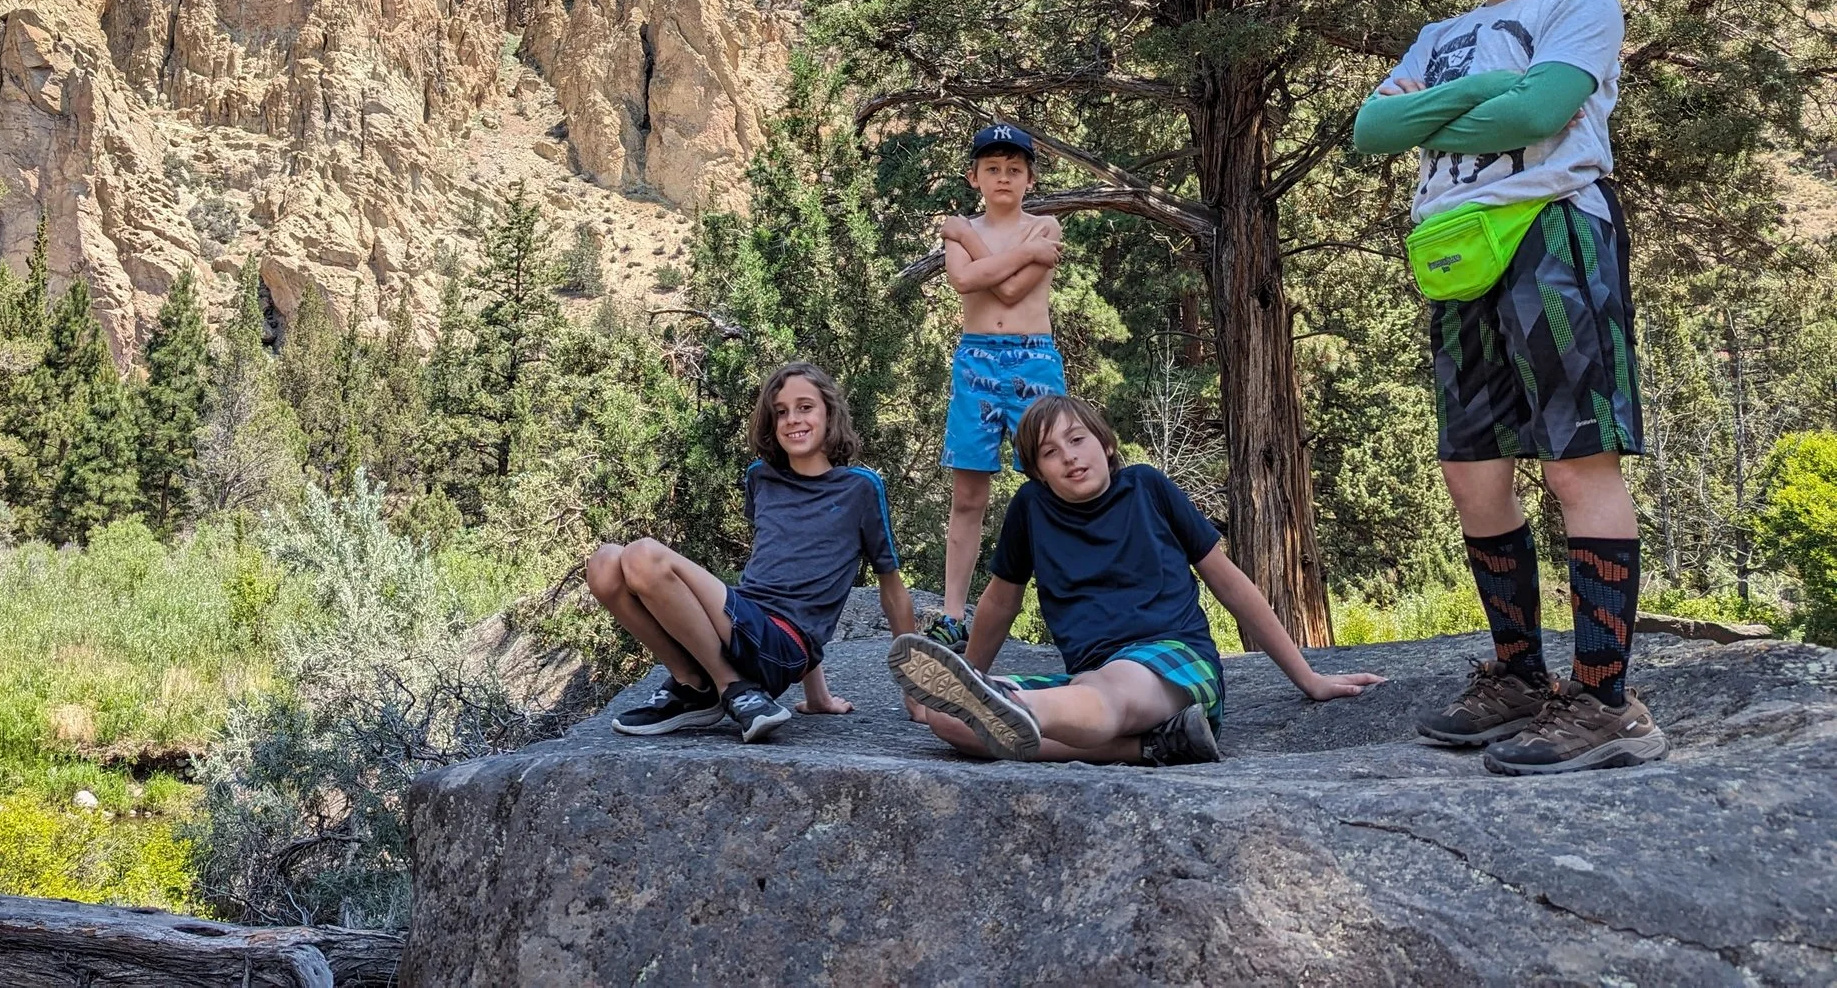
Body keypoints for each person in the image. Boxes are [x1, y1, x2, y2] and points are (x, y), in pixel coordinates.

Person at [1352, 0, 1664, 774]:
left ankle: (1606, 700)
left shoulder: (1581, 5)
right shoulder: (1436, 33)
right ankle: (1519, 677)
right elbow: (1371, 130)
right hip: (1454, 253)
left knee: (1577, 461)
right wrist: (1492, 89)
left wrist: (1456, 110)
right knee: (1472, 468)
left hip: (1553, 230)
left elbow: (1543, 117)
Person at [889, 394, 1382, 763]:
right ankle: (1144, 748)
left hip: (1172, 665)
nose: (1069, 456)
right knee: (948, 717)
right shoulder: (1030, 510)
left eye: (1077, 439)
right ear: (1039, 473)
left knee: (1108, 691)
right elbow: (999, 603)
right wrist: (970, 676)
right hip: (1087, 680)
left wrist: (1308, 677)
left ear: (1105, 444)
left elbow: (1229, 582)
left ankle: (1022, 708)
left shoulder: (1147, 486)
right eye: (1050, 452)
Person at [585, 361, 915, 743]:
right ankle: (693, 684)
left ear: (829, 412)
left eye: (805, 407)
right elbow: (783, 571)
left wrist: (913, 689)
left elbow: (889, 590)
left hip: (782, 647)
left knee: (643, 555)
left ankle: (731, 687)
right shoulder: (761, 476)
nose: (793, 419)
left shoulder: (860, 488)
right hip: (742, 626)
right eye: (780, 412)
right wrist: (818, 697)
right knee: (605, 564)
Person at [925, 121, 1066, 653]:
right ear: (974, 176)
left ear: (1030, 179)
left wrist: (965, 237)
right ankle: (954, 612)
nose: (1003, 177)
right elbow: (963, 283)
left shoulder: (1043, 225)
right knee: (968, 491)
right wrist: (986, 243)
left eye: (1014, 169)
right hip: (976, 359)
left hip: (1035, 359)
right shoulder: (980, 232)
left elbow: (1008, 290)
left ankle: (1066, 605)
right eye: (992, 169)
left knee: (1055, 481)